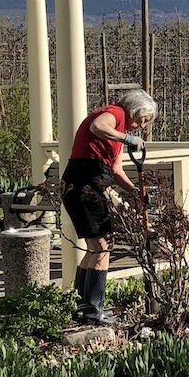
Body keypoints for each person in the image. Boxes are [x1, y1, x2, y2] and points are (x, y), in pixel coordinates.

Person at [61, 87, 158, 324]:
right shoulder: (114, 113)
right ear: (135, 111)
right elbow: (97, 127)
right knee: (103, 246)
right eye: (143, 120)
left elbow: (116, 170)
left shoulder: (118, 132)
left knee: (95, 246)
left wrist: (135, 192)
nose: (142, 127)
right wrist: (126, 138)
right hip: (84, 181)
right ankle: (93, 311)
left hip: (90, 181)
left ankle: (82, 307)